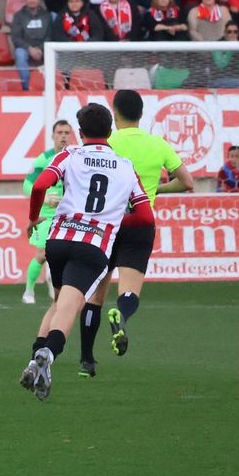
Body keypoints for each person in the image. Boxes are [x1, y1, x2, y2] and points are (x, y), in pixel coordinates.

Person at [19, 103, 153, 401]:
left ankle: (34, 361)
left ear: (79, 133)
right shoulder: (125, 166)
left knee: (57, 304)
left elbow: (40, 185)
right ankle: (49, 354)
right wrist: (114, 218)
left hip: (58, 240)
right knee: (70, 306)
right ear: (110, 132)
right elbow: (145, 217)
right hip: (92, 245)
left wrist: (31, 218)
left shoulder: (69, 154)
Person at [77, 89, 194, 377]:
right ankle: (122, 315)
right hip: (141, 223)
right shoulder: (158, 144)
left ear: (114, 113)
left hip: (106, 225)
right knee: (129, 291)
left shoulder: (107, 142)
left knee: (94, 296)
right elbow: (188, 182)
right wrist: (153, 190)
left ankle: (87, 360)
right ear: (141, 114)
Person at [21, 119, 74, 305]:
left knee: (68, 255)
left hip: (68, 214)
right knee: (43, 253)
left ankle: (57, 283)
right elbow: (27, 185)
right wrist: (45, 198)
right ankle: (29, 290)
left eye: (67, 133)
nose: (63, 136)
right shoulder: (44, 159)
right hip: (47, 214)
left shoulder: (76, 157)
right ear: (53, 136)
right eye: (59, 133)